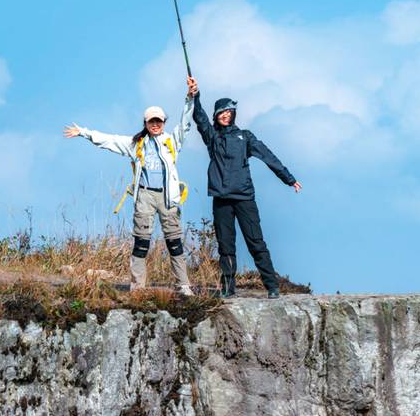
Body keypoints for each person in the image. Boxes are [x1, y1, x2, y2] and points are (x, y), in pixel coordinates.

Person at [63, 82, 197, 295]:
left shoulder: (172, 141)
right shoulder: (137, 143)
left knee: (174, 241)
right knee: (141, 242)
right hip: (144, 195)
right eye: (152, 121)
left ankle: (183, 285)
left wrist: (190, 98)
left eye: (159, 121)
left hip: (168, 197)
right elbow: (110, 140)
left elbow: (185, 122)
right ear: (146, 123)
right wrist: (83, 133)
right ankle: (137, 288)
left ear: (164, 123)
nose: (155, 124)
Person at [188, 76, 301, 299]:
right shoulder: (212, 137)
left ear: (233, 114)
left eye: (228, 111)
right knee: (226, 246)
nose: (225, 115)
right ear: (216, 116)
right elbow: (199, 118)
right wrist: (196, 96)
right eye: (221, 112)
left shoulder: (245, 137)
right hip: (222, 199)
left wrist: (288, 178)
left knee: (256, 242)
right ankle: (228, 289)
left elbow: (268, 156)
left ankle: (272, 286)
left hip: (244, 198)